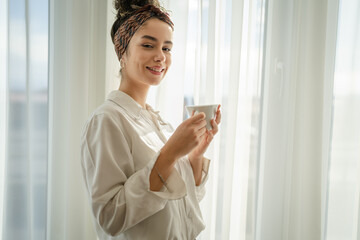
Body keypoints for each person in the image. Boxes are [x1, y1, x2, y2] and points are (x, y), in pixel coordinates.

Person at [80, 1, 221, 239]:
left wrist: (195, 155)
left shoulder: (159, 124)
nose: (160, 57)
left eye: (167, 48)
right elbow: (110, 217)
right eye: (148, 45)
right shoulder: (107, 120)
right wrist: (170, 154)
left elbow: (183, 203)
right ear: (122, 52)